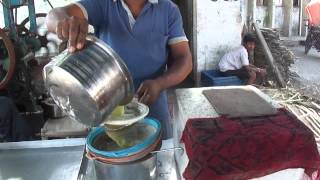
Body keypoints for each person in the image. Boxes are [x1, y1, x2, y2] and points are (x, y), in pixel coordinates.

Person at [46, 0, 193, 139]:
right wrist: (64, 23)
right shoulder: (103, 4)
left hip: (153, 105)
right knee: (108, 158)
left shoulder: (168, 10)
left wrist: (159, 84)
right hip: (105, 107)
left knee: (158, 157)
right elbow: (54, 15)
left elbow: (184, 60)